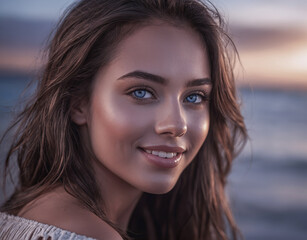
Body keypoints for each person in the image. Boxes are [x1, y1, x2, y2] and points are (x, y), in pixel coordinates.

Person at [0, 0, 247, 239]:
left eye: (194, 97)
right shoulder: (84, 232)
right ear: (78, 102)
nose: (177, 124)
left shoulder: (43, 215)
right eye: (141, 92)